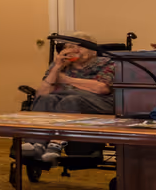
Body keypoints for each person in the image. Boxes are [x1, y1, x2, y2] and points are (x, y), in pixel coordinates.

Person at [23, 35, 116, 167]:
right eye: (70, 46)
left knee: (71, 100)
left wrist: (66, 80)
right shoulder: (61, 65)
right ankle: (35, 144)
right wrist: (56, 67)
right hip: (63, 101)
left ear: (93, 51)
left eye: (80, 46)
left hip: (99, 103)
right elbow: (41, 93)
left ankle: (56, 144)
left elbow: (102, 88)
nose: (74, 49)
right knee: (46, 99)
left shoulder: (106, 63)